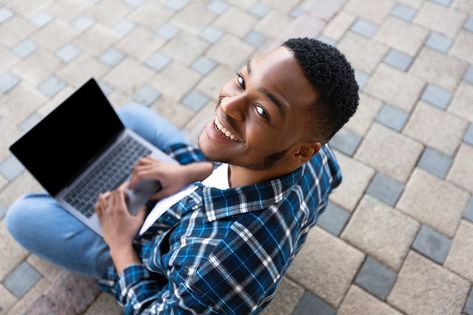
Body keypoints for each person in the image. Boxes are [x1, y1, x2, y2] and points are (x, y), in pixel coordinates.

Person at [6, 37, 359, 314]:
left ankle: (111, 250)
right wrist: (185, 172)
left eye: (262, 111)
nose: (228, 105)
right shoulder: (311, 153)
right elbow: (269, 169)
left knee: (23, 217)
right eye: (241, 80)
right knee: (131, 117)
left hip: (156, 246)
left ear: (302, 151)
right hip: (195, 194)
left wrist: (118, 245)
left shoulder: (216, 265)